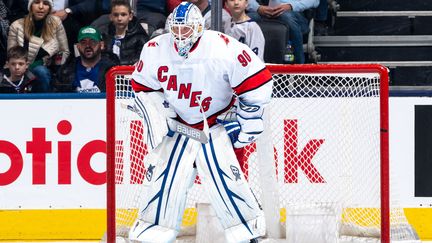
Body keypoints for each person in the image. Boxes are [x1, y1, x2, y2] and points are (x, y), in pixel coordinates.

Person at [127, 2, 272, 242]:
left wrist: (247, 122)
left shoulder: (222, 46)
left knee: (226, 181)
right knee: (164, 180)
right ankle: (154, 232)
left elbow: (257, 80)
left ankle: (246, 233)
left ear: (198, 28)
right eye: (177, 30)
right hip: (181, 126)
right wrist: (163, 114)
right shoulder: (155, 48)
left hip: (217, 125)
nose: (181, 35)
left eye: (187, 30)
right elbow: (142, 86)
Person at [7, 0, 70, 92]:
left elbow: (65, 51)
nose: (41, 7)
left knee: (41, 71)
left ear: (49, 8)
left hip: (47, 69)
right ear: (30, 6)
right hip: (20, 69)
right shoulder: (17, 25)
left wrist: (55, 63)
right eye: (36, 2)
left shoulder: (56, 23)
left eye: (45, 3)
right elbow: (11, 55)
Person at [247, 0, 319, 64]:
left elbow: (315, 1)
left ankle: (299, 65)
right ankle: (247, 63)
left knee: (286, 16)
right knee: (250, 18)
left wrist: (290, 6)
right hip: (266, 11)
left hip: (295, 13)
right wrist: (258, 8)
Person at [54, 26, 119, 93]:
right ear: (78, 46)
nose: (88, 46)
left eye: (92, 42)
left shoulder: (112, 70)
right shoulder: (65, 70)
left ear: (101, 45)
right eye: (83, 42)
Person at [99, 0, 149, 65]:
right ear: (111, 17)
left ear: (130, 16)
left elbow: (142, 58)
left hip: (132, 72)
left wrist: (118, 64)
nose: (119, 18)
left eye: (123, 14)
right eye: (116, 15)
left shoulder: (140, 36)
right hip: (108, 72)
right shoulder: (104, 35)